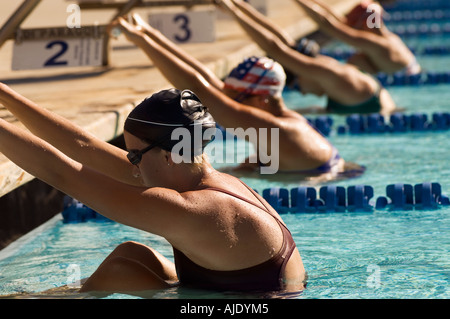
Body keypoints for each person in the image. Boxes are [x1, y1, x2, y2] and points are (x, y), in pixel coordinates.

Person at [0, 83, 306, 296]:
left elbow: (61, 173)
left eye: (134, 155)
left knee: (121, 271)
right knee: (129, 258)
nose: (131, 166)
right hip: (235, 292)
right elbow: (86, 147)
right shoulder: (199, 178)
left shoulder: (192, 209)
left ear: (169, 155)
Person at [111, 14, 364, 179]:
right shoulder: (282, 118)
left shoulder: (278, 129)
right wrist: (146, 33)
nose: (229, 105)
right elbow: (205, 80)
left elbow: (198, 88)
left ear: (263, 98)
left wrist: (140, 40)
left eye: (237, 99)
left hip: (325, 187)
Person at [215, 0, 397, 115]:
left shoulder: (330, 73)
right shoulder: (330, 75)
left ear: (303, 72)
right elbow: (283, 41)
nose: (301, 92)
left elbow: (275, 48)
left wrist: (232, 10)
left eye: (295, 86)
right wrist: (235, 5)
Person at [292, 0, 421, 75]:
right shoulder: (387, 37)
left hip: (402, 79)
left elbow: (329, 26)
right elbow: (339, 22)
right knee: (358, 60)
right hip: (408, 76)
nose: (354, 28)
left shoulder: (374, 43)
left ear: (363, 23)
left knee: (356, 61)